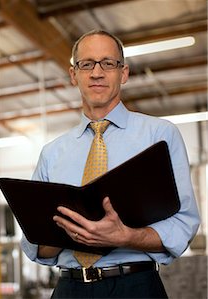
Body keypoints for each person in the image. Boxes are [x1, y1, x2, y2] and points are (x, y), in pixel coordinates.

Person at [20, 29, 200, 298]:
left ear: (123, 73)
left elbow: (183, 224)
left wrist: (125, 237)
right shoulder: (52, 152)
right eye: (87, 64)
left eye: (108, 63)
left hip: (135, 286)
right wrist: (71, 233)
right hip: (69, 289)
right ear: (74, 75)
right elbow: (35, 243)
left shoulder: (159, 136)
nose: (97, 73)